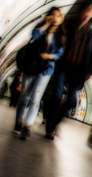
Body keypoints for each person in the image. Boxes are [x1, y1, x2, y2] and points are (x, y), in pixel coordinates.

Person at [43, 2, 92, 140]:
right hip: (63, 66)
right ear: (81, 12)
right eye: (86, 12)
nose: (87, 16)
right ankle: (50, 129)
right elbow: (58, 39)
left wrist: (90, 71)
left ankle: (55, 122)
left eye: (90, 14)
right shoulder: (68, 24)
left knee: (71, 100)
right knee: (56, 96)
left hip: (78, 70)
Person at [14, 8, 65, 140]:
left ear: (61, 19)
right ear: (48, 16)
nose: (55, 18)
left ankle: (27, 125)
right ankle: (18, 122)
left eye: (58, 16)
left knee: (36, 98)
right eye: (53, 15)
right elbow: (33, 37)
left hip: (46, 69)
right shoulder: (40, 28)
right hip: (31, 66)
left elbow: (60, 53)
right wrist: (46, 25)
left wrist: (49, 56)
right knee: (24, 96)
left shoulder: (61, 35)